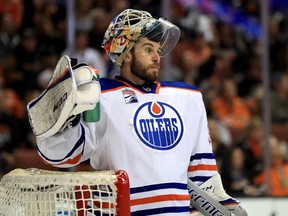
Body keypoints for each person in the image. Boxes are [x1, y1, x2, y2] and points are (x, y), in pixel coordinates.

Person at [27, 9, 247, 215]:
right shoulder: (98, 97)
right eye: (148, 49)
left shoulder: (187, 98)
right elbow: (59, 155)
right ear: (127, 55)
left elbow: (203, 175)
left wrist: (224, 204)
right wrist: (60, 118)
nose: (156, 57)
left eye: (158, 51)